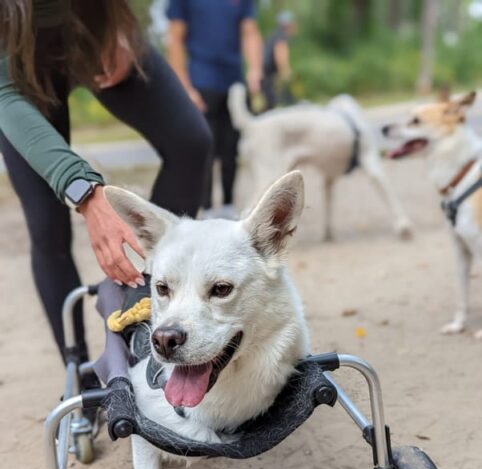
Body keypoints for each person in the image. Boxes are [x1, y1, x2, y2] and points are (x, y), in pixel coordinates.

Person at [0, 0, 212, 363]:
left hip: (95, 31)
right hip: (12, 68)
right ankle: (79, 368)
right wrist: (84, 192)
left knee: (192, 143)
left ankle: (148, 304)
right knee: (47, 223)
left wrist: (120, 26)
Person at [166, 0, 263, 219]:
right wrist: (184, 86)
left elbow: (249, 32)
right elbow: (175, 38)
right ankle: (207, 208)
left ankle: (228, 206)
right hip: (202, 80)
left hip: (233, 82)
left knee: (231, 150)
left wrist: (255, 69)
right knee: (205, 150)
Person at [262, 10, 298, 110]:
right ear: (288, 25)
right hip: (267, 75)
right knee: (274, 104)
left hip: (265, 74)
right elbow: (281, 59)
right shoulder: (281, 37)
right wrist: (288, 76)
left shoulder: (274, 34)